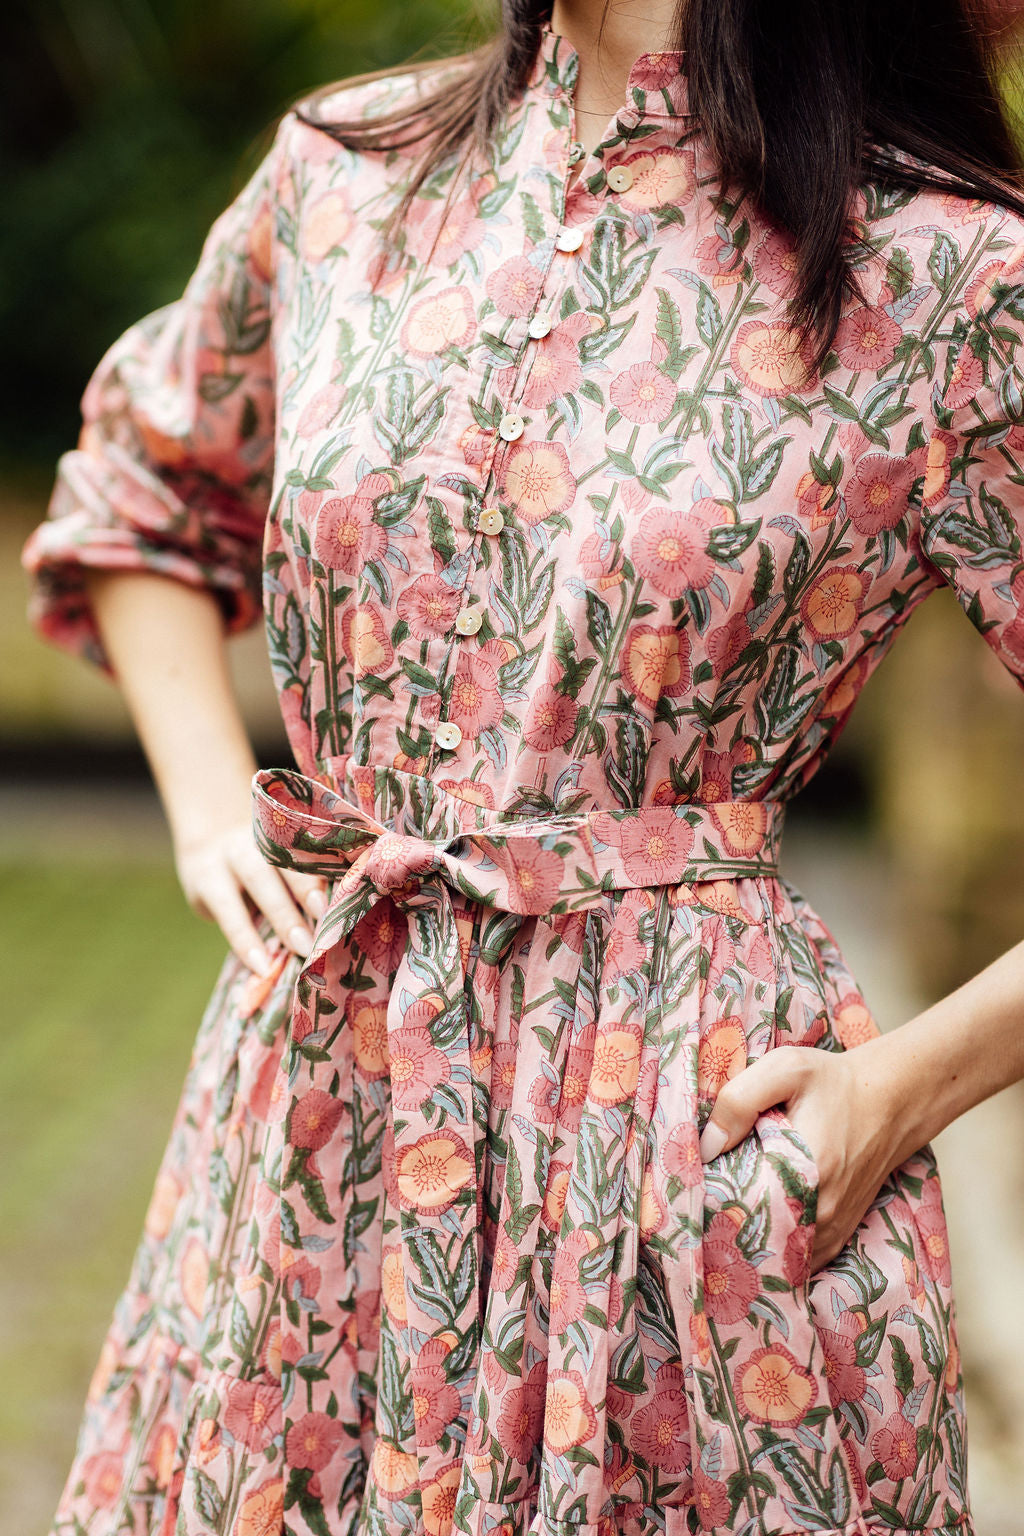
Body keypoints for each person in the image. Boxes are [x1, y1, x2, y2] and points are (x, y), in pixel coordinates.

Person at [19, 0, 1024, 1530]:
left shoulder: (946, 271)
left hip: (681, 1173)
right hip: (316, 1134)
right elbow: (149, 485)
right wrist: (210, 804)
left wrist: (899, 1093)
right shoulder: (354, 172)